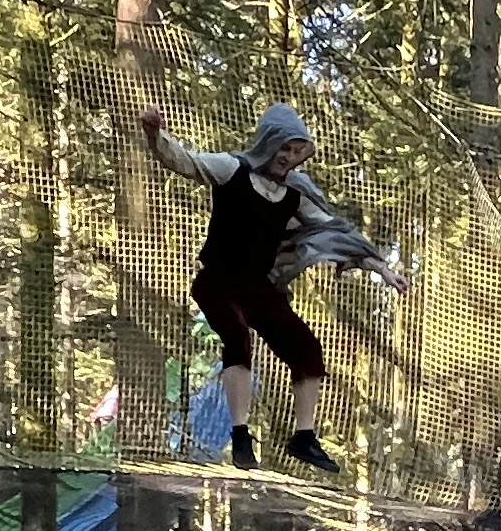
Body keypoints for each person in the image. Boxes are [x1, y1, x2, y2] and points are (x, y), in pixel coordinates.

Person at [140, 100, 404, 474]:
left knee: (308, 351)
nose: (289, 158)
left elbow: (336, 232)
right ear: (269, 142)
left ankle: (304, 436)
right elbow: (186, 160)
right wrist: (156, 135)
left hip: (260, 289)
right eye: (285, 148)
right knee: (237, 336)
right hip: (217, 281)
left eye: (297, 152)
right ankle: (240, 434)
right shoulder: (233, 170)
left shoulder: (295, 193)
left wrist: (381, 267)